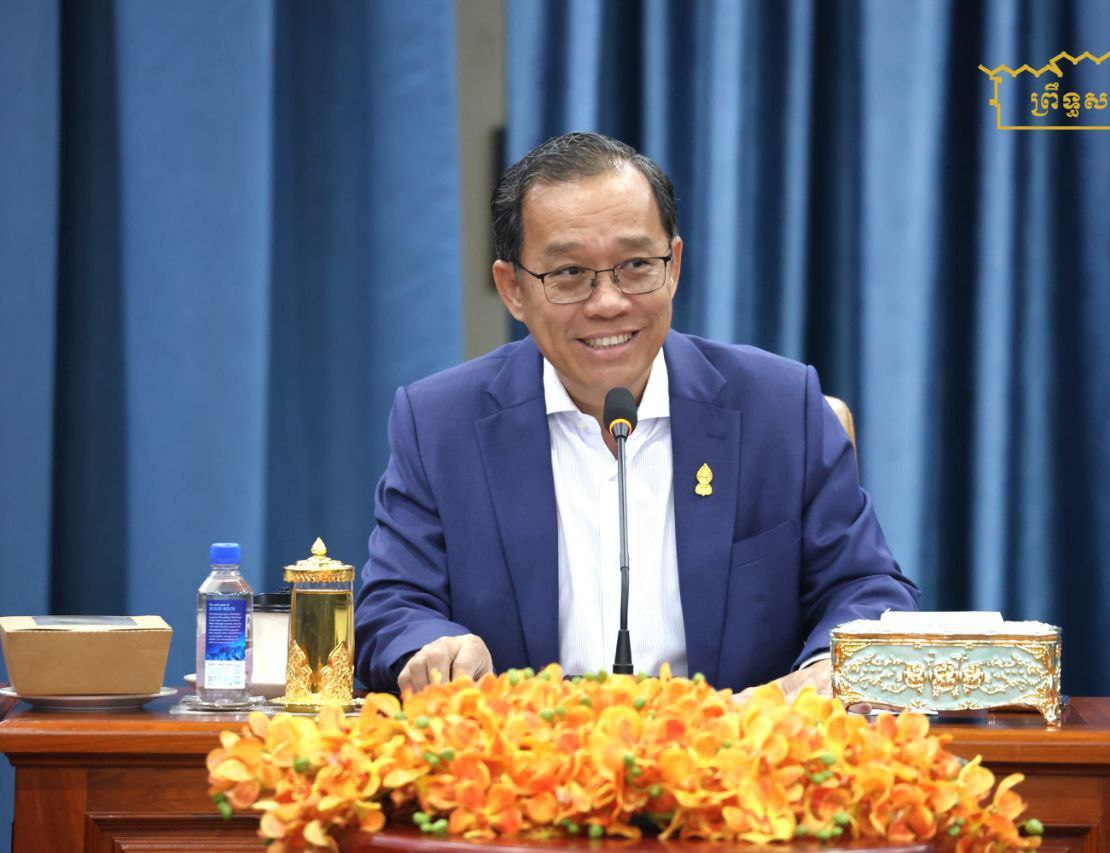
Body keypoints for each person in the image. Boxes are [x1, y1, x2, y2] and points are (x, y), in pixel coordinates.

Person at [354, 132, 918, 698]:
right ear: (513, 289)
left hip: (734, 746)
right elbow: (394, 606)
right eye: (569, 273)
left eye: (635, 265)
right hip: (526, 747)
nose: (608, 303)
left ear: (673, 266)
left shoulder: (780, 408)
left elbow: (867, 589)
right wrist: (435, 647)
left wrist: (818, 674)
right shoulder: (440, 424)